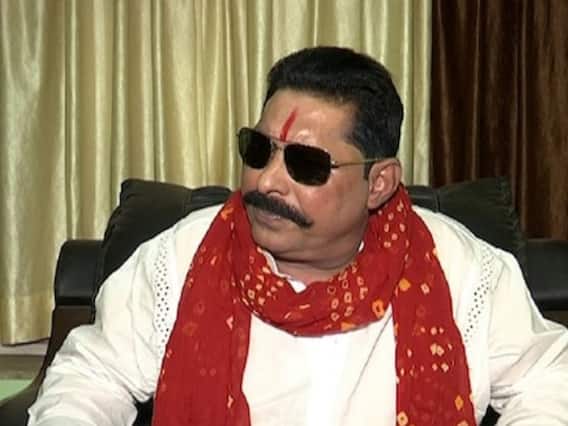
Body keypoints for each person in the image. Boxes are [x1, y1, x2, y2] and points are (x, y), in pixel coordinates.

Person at [29, 46, 568, 426]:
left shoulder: (462, 271)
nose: (266, 182)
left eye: (306, 164)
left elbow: (548, 382)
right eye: (258, 150)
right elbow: (91, 377)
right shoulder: (182, 257)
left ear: (379, 183)